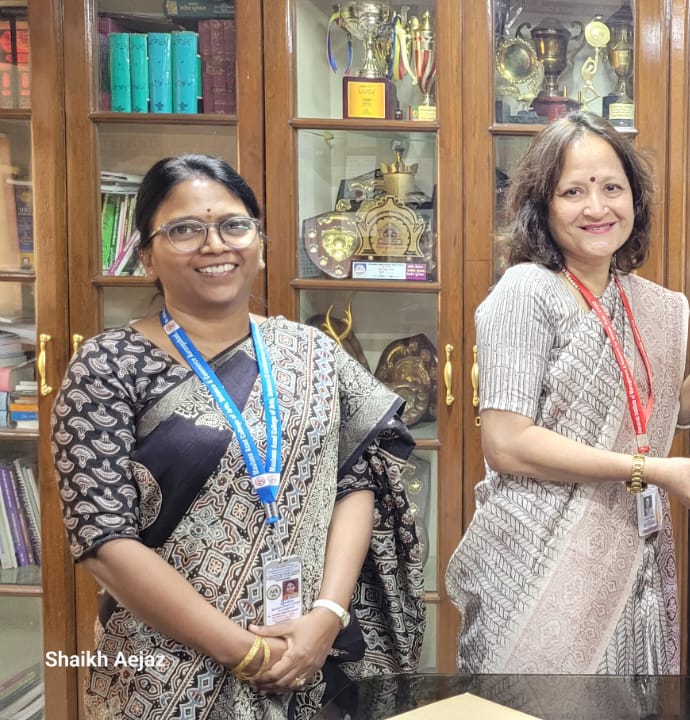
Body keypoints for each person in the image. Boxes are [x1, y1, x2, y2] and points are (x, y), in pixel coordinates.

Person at [52, 155, 424, 719]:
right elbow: (104, 540)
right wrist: (245, 651)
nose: (214, 244)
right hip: (165, 671)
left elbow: (358, 478)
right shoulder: (108, 363)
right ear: (147, 254)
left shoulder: (312, 351)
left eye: (233, 224)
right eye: (184, 229)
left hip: (308, 654)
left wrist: (327, 615)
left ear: (260, 241)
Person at [447, 112, 690, 674]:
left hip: (632, 545)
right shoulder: (527, 291)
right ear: (543, 205)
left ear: (636, 199)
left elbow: (643, 419)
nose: (597, 208)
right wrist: (652, 472)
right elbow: (507, 444)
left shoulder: (644, 300)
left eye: (613, 188)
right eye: (573, 191)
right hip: (537, 555)